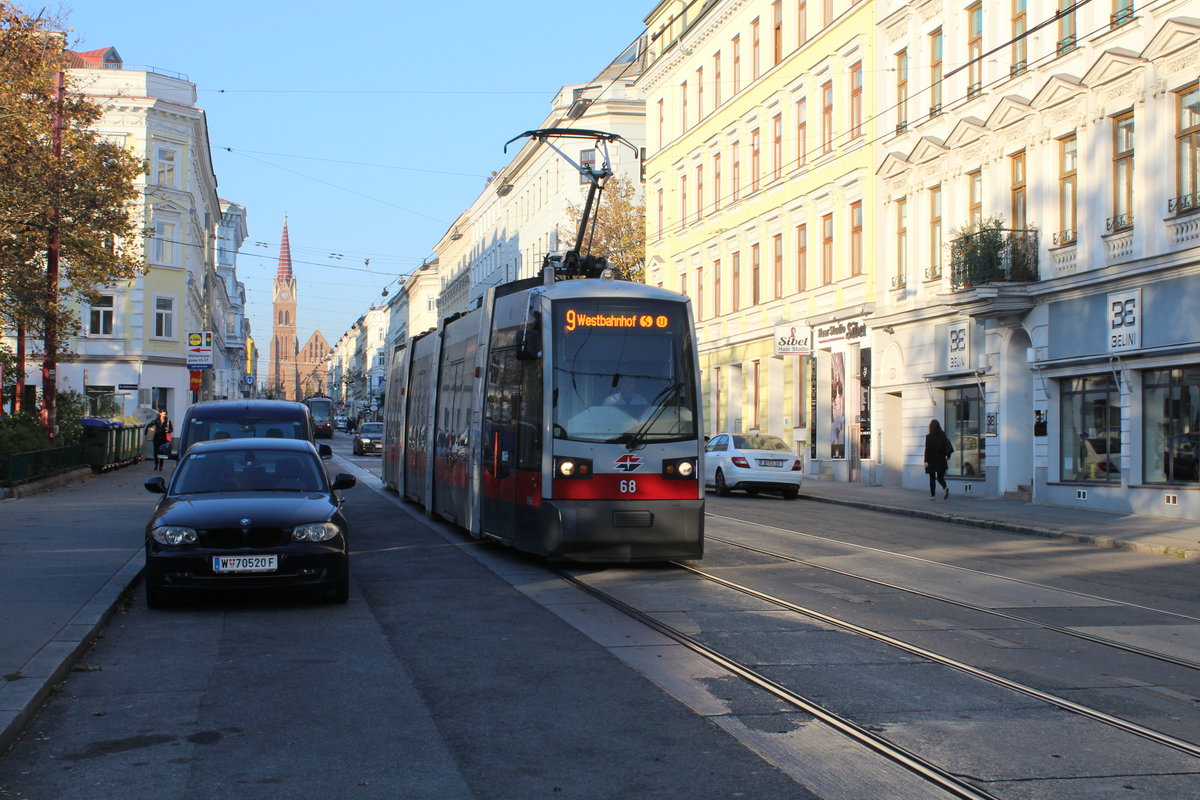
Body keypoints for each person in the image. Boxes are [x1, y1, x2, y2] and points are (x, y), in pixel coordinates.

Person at [924, 419, 954, 500]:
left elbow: (927, 450)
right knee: (940, 477)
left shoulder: (928, 437)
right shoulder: (943, 435)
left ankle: (932, 496)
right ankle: (945, 487)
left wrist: (926, 461)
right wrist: (948, 455)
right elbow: (946, 446)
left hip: (931, 461)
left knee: (932, 478)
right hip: (941, 460)